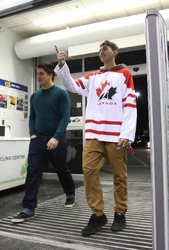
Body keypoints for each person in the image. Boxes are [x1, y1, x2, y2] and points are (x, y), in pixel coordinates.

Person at [55, 40, 137, 236]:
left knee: (120, 176)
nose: (101, 52)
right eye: (100, 50)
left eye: (105, 49)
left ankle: (120, 213)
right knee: (89, 172)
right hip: (93, 133)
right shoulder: (93, 77)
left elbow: (130, 103)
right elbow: (72, 86)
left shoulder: (124, 74)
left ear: (115, 52)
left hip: (116, 134)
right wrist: (62, 65)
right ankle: (98, 215)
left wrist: (127, 134)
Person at [11, 61, 76, 224]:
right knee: (33, 172)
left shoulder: (61, 94)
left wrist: (56, 136)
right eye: (37, 73)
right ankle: (28, 208)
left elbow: (65, 117)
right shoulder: (35, 96)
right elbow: (32, 117)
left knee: (62, 170)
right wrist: (32, 133)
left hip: (57, 140)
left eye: (41, 73)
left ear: (50, 75)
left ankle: (70, 193)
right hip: (38, 141)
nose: (38, 76)